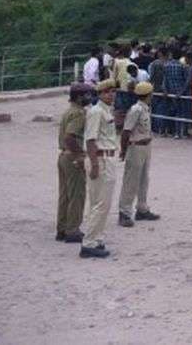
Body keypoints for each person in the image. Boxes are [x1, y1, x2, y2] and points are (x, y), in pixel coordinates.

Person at [81, 79, 120, 259]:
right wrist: (95, 164)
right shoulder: (96, 112)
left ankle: (96, 238)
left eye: (113, 91)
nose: (111, 94)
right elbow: (90, 139)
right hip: (101, 159)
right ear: (100, 94)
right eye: (107, 92)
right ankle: (89, 242)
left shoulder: (106, 111)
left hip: (108, 157)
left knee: (100, 203)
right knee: (100, 203)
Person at [118, 81, 160, 227]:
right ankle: (124, 212)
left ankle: (142, 208)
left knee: (143, 179)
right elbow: (126, 131)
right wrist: (123, 150)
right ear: (148, 95)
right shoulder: (136, 110)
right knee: (131, 180)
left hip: (145, 145)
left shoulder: (145, 108)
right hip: (136, 146)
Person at [55, 83, 92, 243]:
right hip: (72, 158)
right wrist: (80, 155)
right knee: (77, 194)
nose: (90, 98)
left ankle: (62, 228)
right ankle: (73, 230)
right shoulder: (78, 114)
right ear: (79, 97)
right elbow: (70, 137)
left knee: (65, 195)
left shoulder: (68, 111)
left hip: (63, 156)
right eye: (87, 95)